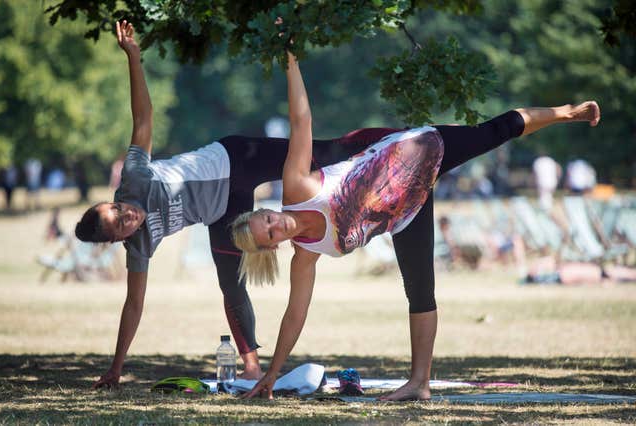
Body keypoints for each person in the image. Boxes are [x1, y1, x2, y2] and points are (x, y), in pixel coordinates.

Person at [232, 51, 601, 401]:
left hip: (416, 151)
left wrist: (290, 59)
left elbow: (301, 120)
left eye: (266, 218)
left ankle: (568, 112)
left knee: (494, 131)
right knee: (421, 291)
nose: (275, 224)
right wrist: (273, 373)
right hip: (407, 211)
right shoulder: (306, 256)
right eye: (271, 233)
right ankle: (419, 383)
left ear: (265, 210)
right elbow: (295, 314)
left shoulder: (297, 186)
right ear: (271, 246)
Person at [74, 21, 387, 388]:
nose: (129, 216)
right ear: (118, 240)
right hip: (223, 213)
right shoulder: (138, 246)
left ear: (111, 201)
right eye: (121, 226)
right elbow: (133, 305)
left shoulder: (134, 179)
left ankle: (385, 144)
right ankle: (252, 367)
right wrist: (115, 367)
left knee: (320, 151)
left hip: (234, 160)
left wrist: (134, 58)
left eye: (119, 210)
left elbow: (143, 119)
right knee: (232, 284)